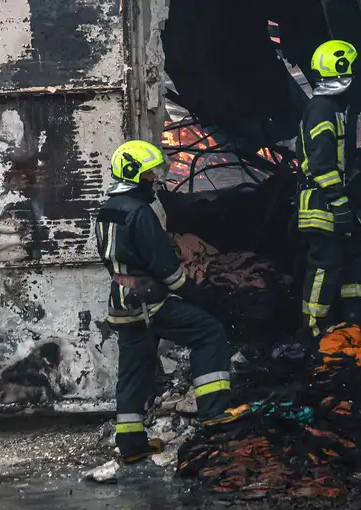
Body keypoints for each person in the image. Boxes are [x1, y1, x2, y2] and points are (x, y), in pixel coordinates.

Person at [95, 140, 236, 464]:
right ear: (134, 175)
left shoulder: (107, 210)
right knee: (208, 331)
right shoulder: (140, 213)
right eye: (149, 173)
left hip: (121, 301)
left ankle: (131, 444)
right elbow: (165, 268)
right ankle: (215, 414)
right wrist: (197, 295)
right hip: (149, 303)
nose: (155, 179)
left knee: (133, 371)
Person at [296, 40, 361, 340]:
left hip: (332, 201)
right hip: (321, 204)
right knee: (323, 266)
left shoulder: (332, 108)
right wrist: (340, 205)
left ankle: (354, 320)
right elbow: (322, 166)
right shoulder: (321, 110)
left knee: (360, 253)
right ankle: (312, 332)